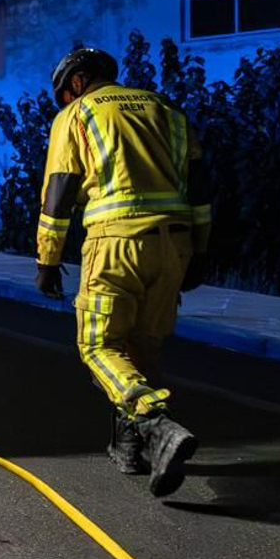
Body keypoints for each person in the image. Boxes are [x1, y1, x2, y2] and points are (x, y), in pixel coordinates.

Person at [34, 47, 214, 497]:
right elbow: (200, 189)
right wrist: (200, 252)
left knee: (97, 345)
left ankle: (156, 425)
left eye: (63, 92)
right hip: (173, 245)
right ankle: (131, 449)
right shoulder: (167, 110)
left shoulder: (77, 115)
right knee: (142, 351)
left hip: (115, 242)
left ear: (76, 83)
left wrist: (47, 260)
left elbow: (59, 195)